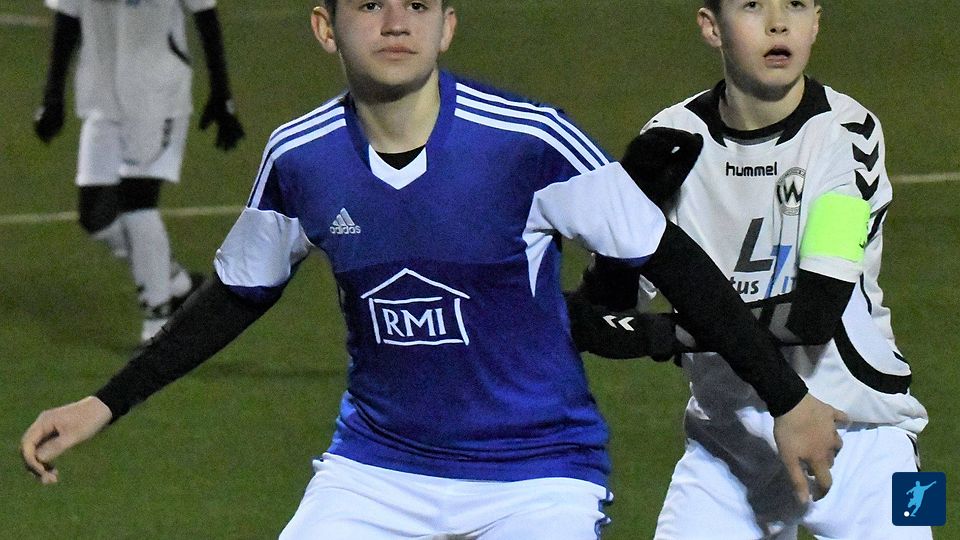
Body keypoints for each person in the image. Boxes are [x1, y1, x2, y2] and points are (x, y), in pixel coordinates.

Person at [21, 1, 844, 538]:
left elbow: (676, 264)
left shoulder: (529, 142)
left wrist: (788, 397)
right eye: (369, 6)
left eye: (417, 5)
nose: (394, 22)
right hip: (376, 468)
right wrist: (104, 402)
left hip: (538, 472)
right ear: (325, 28)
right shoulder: (300, 158)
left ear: (447, 27)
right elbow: (236, 295)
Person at [567, 0, 929, 538]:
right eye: (753, 4)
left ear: (816, 21)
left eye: (796, 5)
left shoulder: (850, 132)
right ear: (711, 26)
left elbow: (814, 315)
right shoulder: (672, 133)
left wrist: (661, 333)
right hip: (726, 441)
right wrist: (626, 223)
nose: (778, 22)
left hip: (871, 437)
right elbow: (610, 310)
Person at [34, 0, 245, 341]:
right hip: (101, 99)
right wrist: (52, 95)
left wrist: (222, 94)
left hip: (157, 94)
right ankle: (173, 280)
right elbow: (67, 16)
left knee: (138, 205)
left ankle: (157, 324)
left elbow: (205, 13)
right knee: (94, 216)